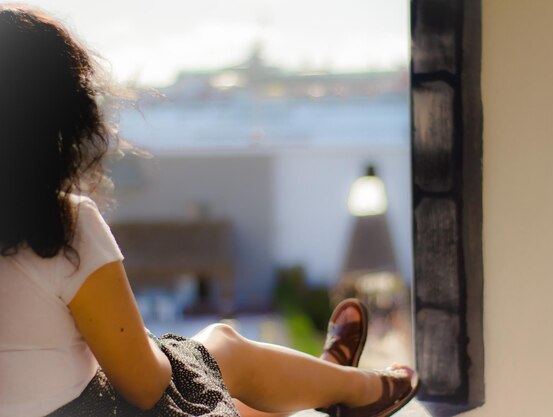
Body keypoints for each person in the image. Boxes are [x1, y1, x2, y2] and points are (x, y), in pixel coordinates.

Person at [0, 4, 418, 417]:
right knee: (218, 350)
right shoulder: (59, 227)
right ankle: (361, 388)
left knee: (214, 372)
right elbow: (145, 387)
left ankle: (329, 384)